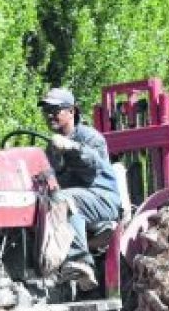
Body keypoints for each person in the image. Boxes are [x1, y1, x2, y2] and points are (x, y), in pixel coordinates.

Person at [37, 87, 121, 291]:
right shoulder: (51, 148)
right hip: (74, 201)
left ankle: (80, 261)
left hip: (102, 199)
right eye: (46, 110)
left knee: (65, 199)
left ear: (72, 111)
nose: (49, 115)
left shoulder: (91, 138)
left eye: (55, 110)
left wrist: (72, 148)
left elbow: (92, 166)